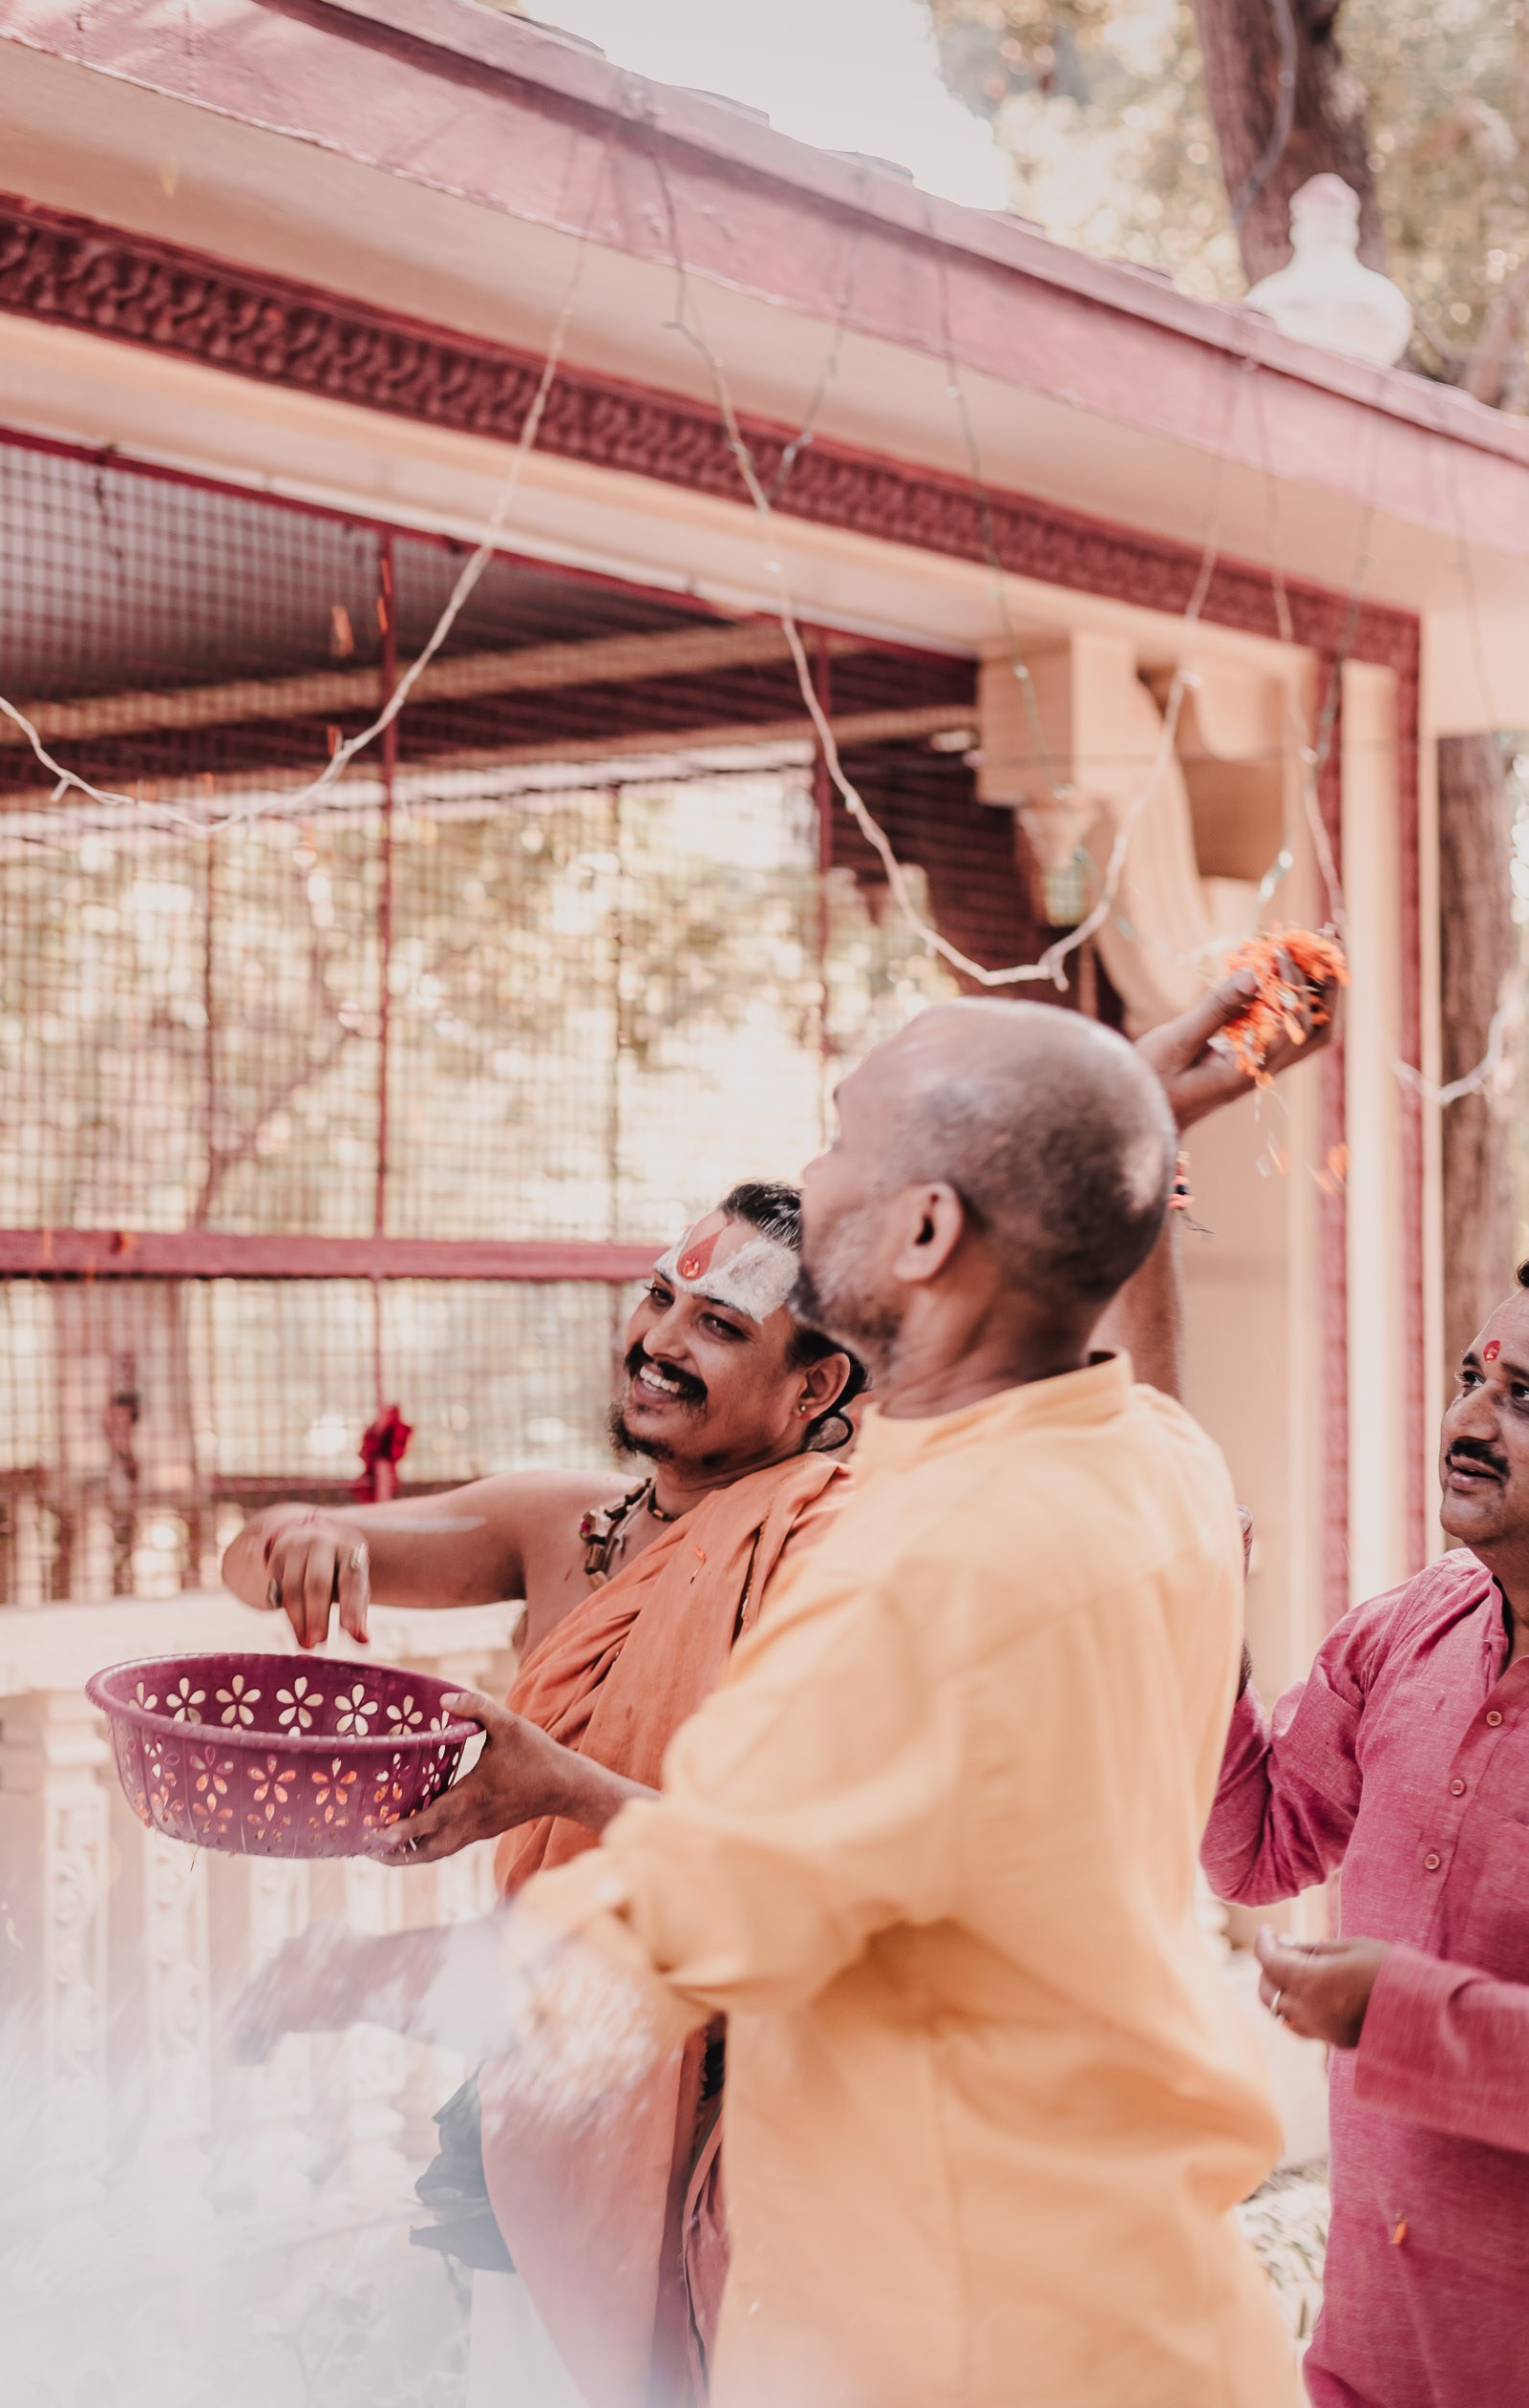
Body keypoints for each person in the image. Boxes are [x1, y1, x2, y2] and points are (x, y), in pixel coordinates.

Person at [241, 986, 1325, 2408]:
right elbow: (1121, 1360)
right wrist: (1117, 1126)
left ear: (927, 1235)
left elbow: (653, 1941)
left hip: (958, 2347)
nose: (808, 1182)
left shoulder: (904, 1582)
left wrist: (359, 1976)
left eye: (838, 1144)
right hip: (1149, 2317)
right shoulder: (1155, 1465)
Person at [225, 1180, 867, 2408]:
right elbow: (250, 1564)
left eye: (721, 1326)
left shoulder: (835, 1555)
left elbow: (810, 1870)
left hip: (752, 2109)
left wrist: (556, 1786)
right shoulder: (557, 1523)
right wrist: (304, 1540)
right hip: (544, 2078)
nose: (661, 1343)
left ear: (818, 1387)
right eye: (657, 1298)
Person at [1204, 1267, 1529, 2408]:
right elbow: (1258, 1850)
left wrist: (1399, 2016)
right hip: (1371, 2353)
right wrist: (1204, 1637)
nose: (1469, 1424)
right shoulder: (1410, 1628)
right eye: (1468, 1379)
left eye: (1525, 1398)